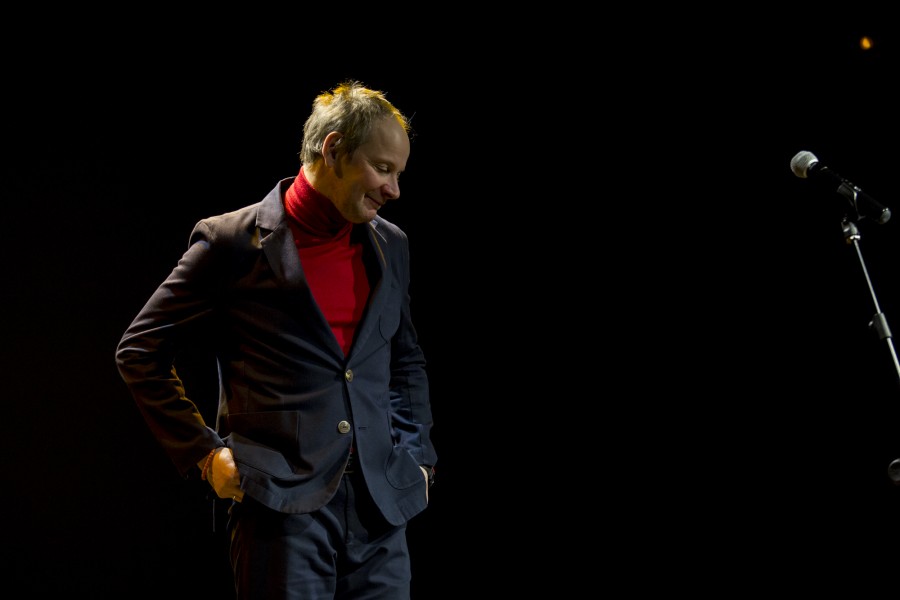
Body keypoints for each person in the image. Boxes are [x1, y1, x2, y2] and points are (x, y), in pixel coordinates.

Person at [115, 80, 437, 599]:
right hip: (279, 510)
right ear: (334, 149)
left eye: (398, 173)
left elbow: (406, 360)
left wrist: (418, 455)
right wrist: (204, 454)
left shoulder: (390, 244)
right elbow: (139, 350)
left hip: (381, 508)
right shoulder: (230, 242)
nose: (394, 189)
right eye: (383, 169)